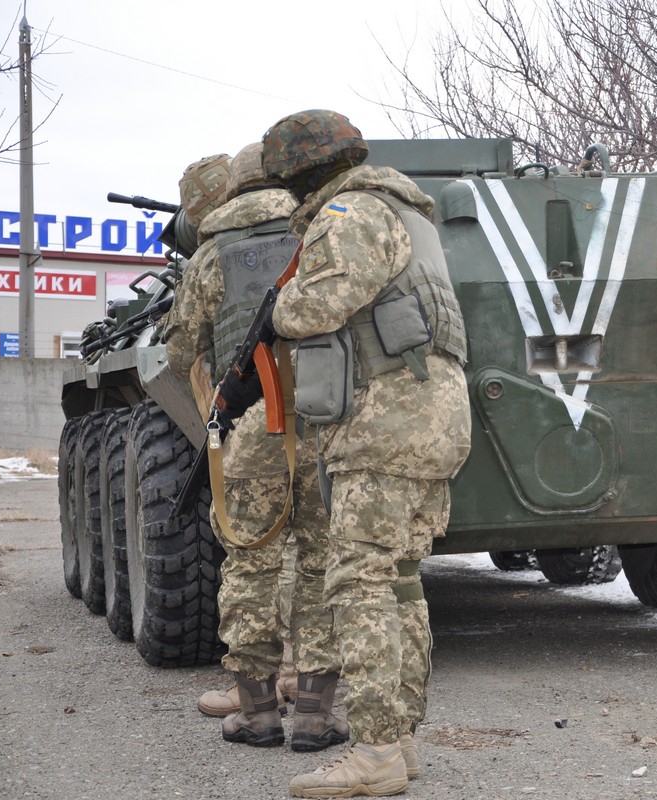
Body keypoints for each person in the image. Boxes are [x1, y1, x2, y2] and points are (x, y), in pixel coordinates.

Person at [261, 109, 472, 798]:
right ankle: (400, 739)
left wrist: (279, 304)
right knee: (401, 578)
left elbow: (313, 309)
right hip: (431, 419)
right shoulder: (410, 214)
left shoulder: (350, 213)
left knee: (358, 582)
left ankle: (376, 749)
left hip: (385, 423)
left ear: (301, 172)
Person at [162, 144, 346, 752]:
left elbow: (180, 354)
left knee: (250, 566)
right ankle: (317, 717)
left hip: (249, 432)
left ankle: (258, 713)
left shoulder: (211, 255)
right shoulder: (320, 233)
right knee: (322, 565)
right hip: (325, 425)